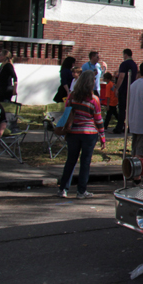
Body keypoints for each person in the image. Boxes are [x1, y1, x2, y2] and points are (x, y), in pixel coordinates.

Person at [57, 70, 105, 199]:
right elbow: (98, 119)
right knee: (85, 162)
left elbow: (67, 112)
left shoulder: (72, 96)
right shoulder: (94, 99)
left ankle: (63, 189)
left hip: (73, 131)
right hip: (89, 133)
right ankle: (81, 191)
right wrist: (102, 136)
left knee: (70, 160)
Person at [113, 49, 138, 134]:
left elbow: (121, 76)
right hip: (132, 89)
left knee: (122, 109)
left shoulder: (124, 64)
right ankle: (130, 127)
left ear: (126, 55)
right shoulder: (134, 64)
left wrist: (117, 88)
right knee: (129, 109)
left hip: (124, 89)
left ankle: (119, 127)